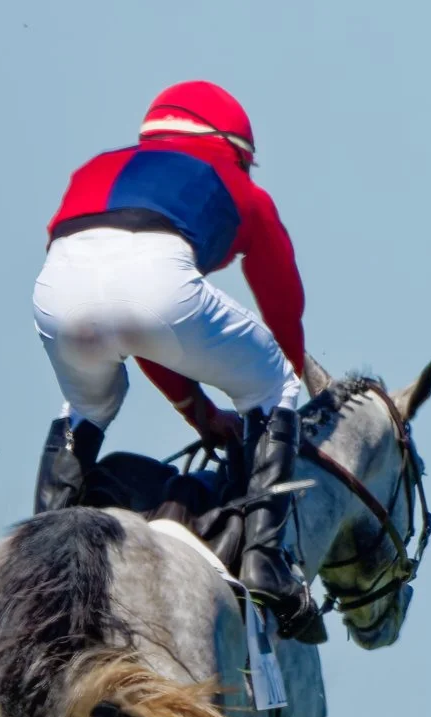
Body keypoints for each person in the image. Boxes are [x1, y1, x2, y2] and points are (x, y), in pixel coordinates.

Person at [32, 80, 321, 641]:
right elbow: (281, 304)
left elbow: (139, 328)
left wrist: (200, 413)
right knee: (275, 385)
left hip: (56, 286)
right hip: (157, 281)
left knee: (90, 401)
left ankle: (43, 547)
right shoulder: (239, 186)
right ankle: (266, 562)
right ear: (235, 149)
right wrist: (279, 391)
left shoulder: (100, 166)